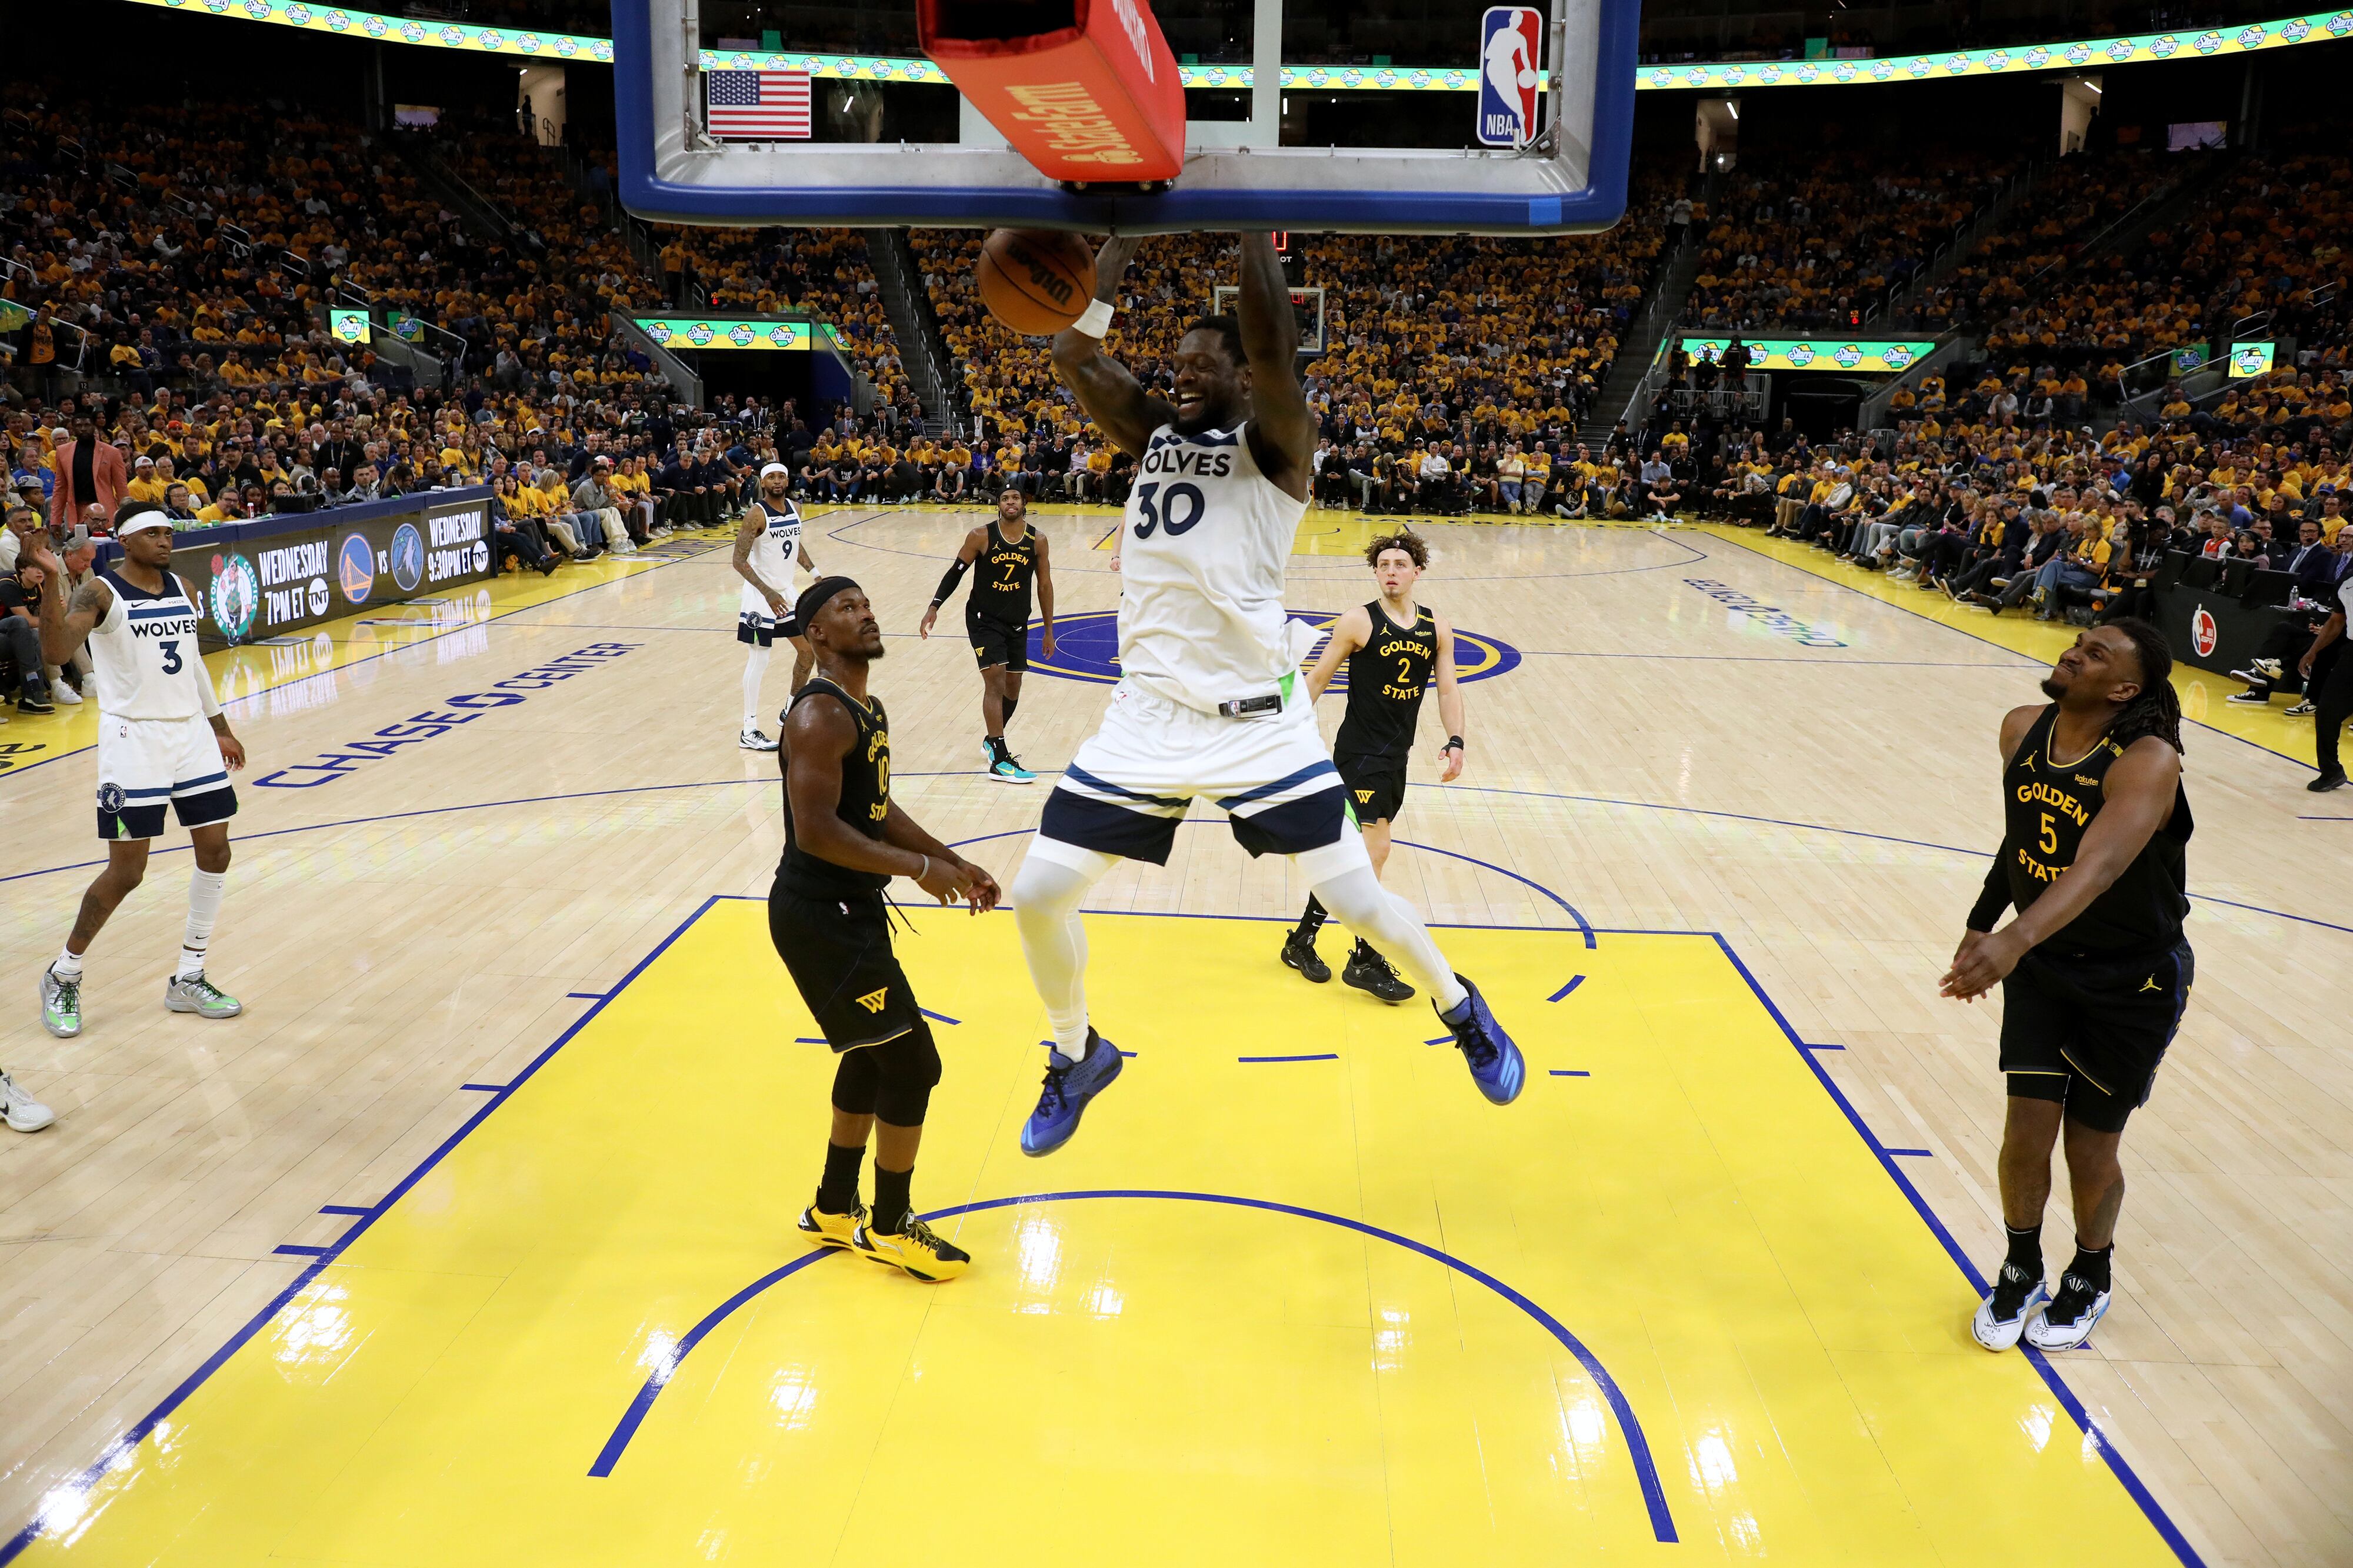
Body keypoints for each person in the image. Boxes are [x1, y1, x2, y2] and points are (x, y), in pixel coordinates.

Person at [1011, 232, 1525, 1159]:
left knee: (1360, 902)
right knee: (1038, 893)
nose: (1187, 378)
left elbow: (1278, 354)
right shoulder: (1153, 432)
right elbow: (1074, 354)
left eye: (1208, 367)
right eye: (1180, 366)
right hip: (1151, 716)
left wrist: (1250, 227)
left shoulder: (1281, 445)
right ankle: (1075, 1051)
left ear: (1246, 378)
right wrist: (1115, 246)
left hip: (1259, 721)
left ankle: (1462, 1007)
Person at [1942, 620, 2193, 1353]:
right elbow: (2020, 837)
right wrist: (1982, 921)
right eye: (2079, 639)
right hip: (2046, 962)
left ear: (2124, 688)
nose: (2076, 649)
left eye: (2098, 652)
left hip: (2132, 977)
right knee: (2025, 1127)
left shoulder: (2148, 759)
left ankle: (2090, 1271)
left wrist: (2011, 939)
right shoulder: (2023, 727)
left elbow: (2098, 867)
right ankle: (2020, 1266)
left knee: (2089, 1144)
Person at [773, 576, 1001, 1282]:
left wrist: (950, 862)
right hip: (820, 916)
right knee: (912, 1063)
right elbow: (815, 832)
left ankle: (834, 1207)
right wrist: (914, 868)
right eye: (847, 607)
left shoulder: (864, 706)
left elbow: (874, 806)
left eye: (867, 602)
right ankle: (892, 1223)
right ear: (818, 635)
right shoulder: (818, 716)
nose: (867, 612)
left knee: (875, 1054)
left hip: (850, 910)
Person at [26, 501, 250, 1045]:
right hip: (133, 744)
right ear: (125, 540)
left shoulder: (184, 588)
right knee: (128, 871)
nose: (165, 541)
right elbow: (56, 649)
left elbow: (193, 662)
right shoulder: (101, 592)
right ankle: (64, 972)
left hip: (191, 736)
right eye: (152, 533)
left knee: (216, 850)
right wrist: (54, 583)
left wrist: (219, 724)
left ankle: (189, 976)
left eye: (168, 532)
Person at [1281, 531, 1466, 1001]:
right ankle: (1365, 956)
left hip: (1395, 756)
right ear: (1376, 571)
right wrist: (1283, 730)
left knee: (1353, 857)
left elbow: (1447, 689)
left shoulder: (1436, 627)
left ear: (1417, 571)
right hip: (1360, 755)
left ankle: (1301, 940)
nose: (1391, 572)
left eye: (1400, 565)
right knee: (1374, 851)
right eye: (1384, 565)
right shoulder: (1357, 622)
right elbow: (1318, 677)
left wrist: (1456, 740)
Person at [917, 488, 1056, 783]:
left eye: (1015, 498)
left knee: (1013, 687)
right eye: (1005, 499)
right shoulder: (981, 535)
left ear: (1024, 504)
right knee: (995, 678)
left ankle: (992, 739)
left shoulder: (1038, 541)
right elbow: (956, 572)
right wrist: (934, 606)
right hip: (983, 620)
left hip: (1018, 622)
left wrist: (1049, 629)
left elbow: (1044, 585)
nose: (1010, 503)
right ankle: (1001, 760)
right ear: (998, 505)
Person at [734, 462, 819, 752]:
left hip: (786, 593)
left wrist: (816, 574)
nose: (778, 481)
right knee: (759, 660)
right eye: (771, 477)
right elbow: (739, 561)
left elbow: (794, 546)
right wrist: (767, 592)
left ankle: (790, 709)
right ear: (763, 482)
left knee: (808, 651)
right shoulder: (755, 515)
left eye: (781, 475)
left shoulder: (796, 508)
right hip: (760, 598)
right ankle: (749, 729)